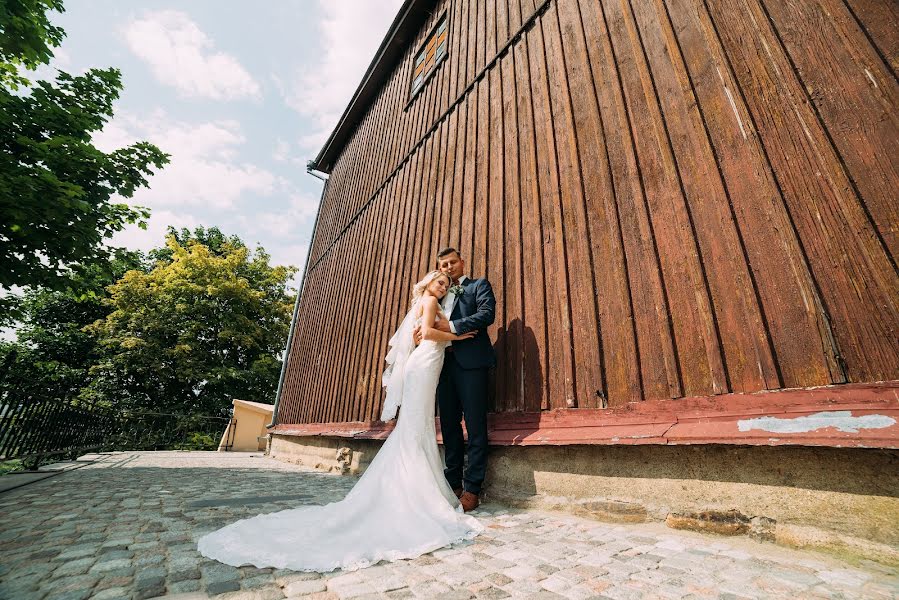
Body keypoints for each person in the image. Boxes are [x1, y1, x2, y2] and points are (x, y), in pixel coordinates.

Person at [196, 271, 483, 572]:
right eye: (439, 282)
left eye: (447, 284)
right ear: (428, 283)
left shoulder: (432, 301)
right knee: (415, 423)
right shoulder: (427, 300)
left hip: (428, 363)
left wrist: (448, 334)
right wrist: (457, 335)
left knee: (419, 423)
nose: (443, 286)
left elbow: (423, 332)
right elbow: (427, 332)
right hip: (424, 363)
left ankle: (417, 483)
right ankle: (413, 489)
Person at [414, 248, 496, 512]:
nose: (448, 268)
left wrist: (450, 327)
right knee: (448, 426)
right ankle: (453, 483)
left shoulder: (477, 285)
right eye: (443, 265)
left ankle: (472, 487)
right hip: (442, 365)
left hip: (471, 364)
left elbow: (486, 315)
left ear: (462, 262)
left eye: (452, 262)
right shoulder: (437, 294)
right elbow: (423, 327)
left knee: (474, 425)